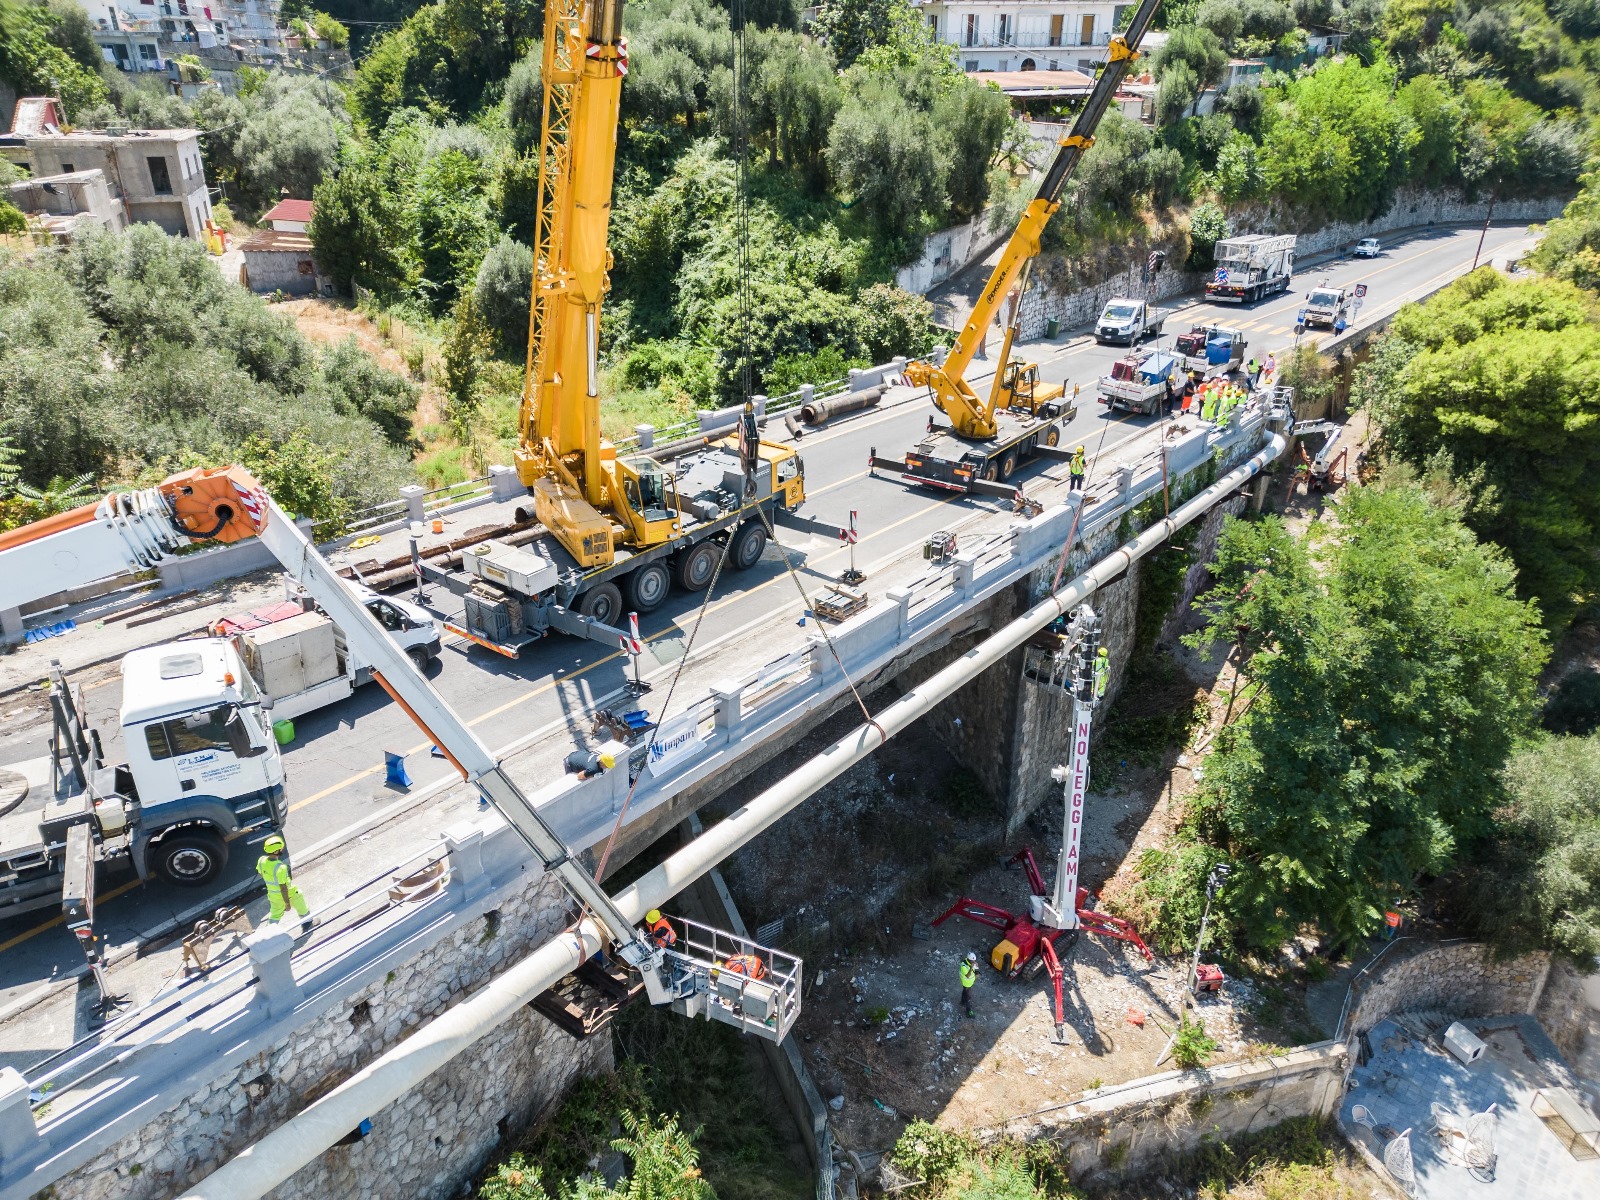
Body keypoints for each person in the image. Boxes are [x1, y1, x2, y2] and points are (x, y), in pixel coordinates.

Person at [257, 835, 311, 929]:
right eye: (281, 848)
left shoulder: (261, 860)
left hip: (273, 896)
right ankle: (308, 923)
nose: (282, 849)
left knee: (274, 916)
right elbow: (283, 888)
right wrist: (287, 903)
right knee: (302, 905)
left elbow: (261, 874)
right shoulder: (280, 868)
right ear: (276, 851)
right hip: (290, 895)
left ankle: (268, 932)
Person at [958, 951, 978, 1018]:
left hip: (969, 983)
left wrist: (976, 966)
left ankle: (962, 1002)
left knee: (964, 992)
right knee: (968, 998)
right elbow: (968, 976)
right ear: (969, 960)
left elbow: (975, 969)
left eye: (974, 961)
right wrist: (972, 967)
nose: (973, 962)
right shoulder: (963, 966)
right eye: (973, 961)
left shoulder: (968, 961)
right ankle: (969, 1011)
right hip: (967, 983)